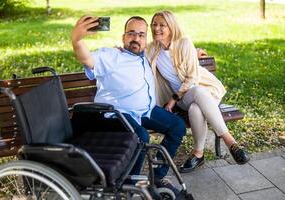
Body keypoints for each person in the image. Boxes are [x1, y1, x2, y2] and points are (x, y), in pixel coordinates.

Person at [71, 15, 186, 192]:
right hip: (117, 114)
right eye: (131, 33)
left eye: (141, 35)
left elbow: (170, 46)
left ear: (145, 39)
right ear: (123, 36)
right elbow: (87, 59)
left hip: (145, 111)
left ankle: (156, 176)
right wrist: (77, 40)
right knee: (141, 137)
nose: (136, 38)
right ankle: (128, 187)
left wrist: (194, 51)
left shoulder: (146, 53)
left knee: (177, 126)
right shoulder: (111, 55)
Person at [146, 10, 250, 173]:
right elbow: (132, 50)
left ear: (171, 27)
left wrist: (174, 98)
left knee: (197, 104)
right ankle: (231, 143)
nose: (156, 28)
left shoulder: (184, 43)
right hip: (185, 96)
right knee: (196, 95)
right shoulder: (152, 49)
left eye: (162, 25)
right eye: (154, 24)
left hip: (205, 90)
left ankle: (198, 154)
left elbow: (193, 77)